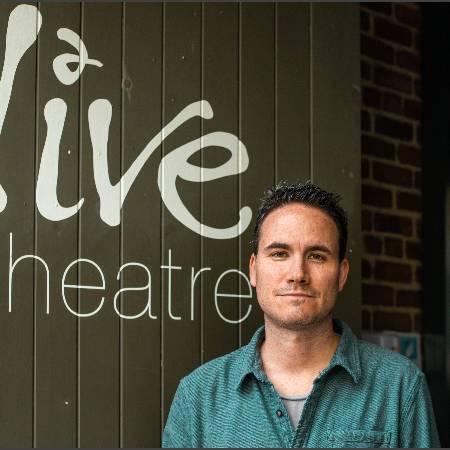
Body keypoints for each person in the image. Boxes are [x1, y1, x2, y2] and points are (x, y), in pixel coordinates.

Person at [162, 181, 440, 448]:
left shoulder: (400, 386)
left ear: (342, 274)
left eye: (317, 256)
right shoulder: (197, 396)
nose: (298, 274)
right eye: (280, 254)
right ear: (254, 269)